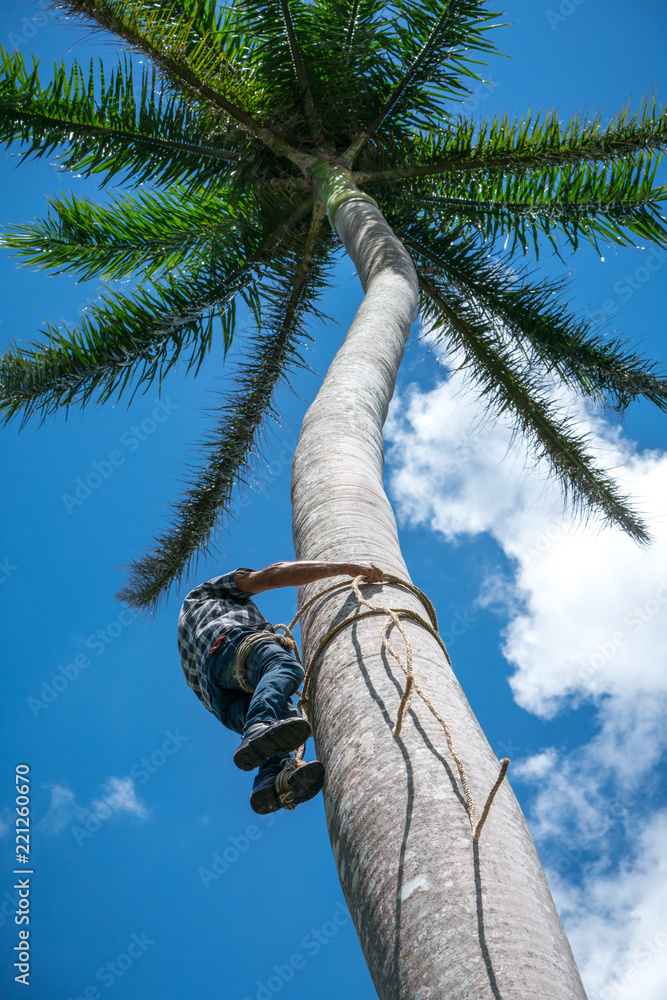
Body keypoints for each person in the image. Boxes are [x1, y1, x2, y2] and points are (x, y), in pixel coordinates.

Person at [178, 559, 384, 814]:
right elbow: (273, 575)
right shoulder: (208, 591)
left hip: (222, 700)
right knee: (284, 668)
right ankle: (257, 725)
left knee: (282, 727)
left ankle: (273, 780)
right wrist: (344, 567)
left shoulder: (187, 631)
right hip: (228, 646)